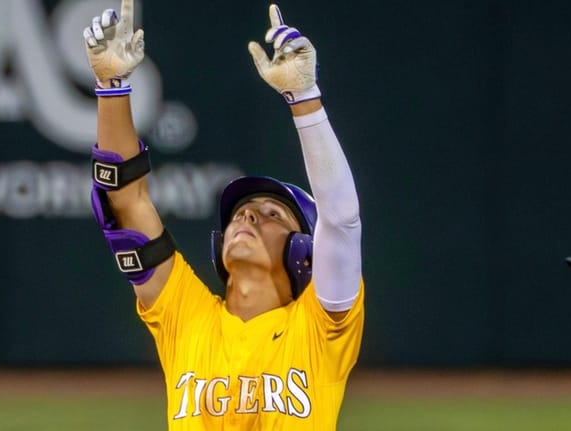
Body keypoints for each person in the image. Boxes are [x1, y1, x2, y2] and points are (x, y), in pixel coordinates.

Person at [83, 2, 363, 430]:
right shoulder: (187, 316)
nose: (248, 218)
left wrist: (305, 100)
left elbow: (340, 218)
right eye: (241, 213)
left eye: (272, 214)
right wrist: (111, 86)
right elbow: (125, 204)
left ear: (304, 252)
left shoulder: (320, 329)